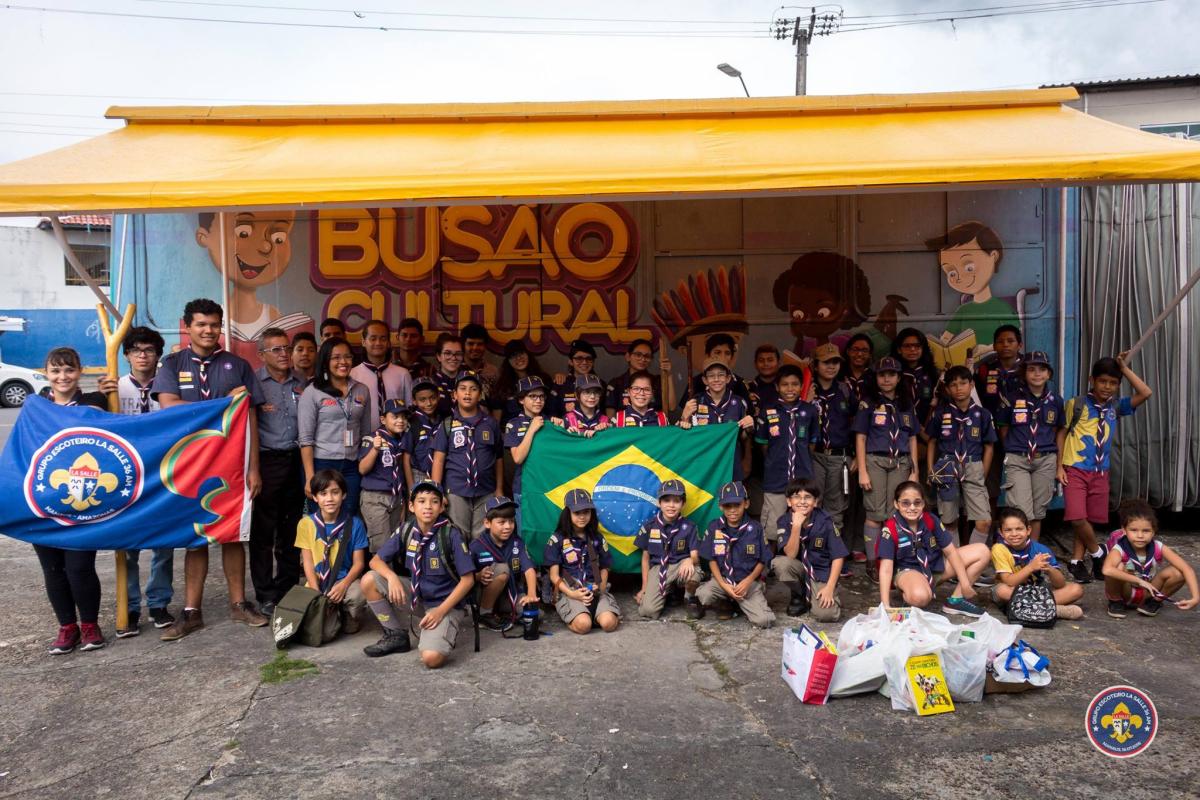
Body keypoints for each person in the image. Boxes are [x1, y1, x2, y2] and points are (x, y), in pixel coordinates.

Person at [153, 298, 269, 640]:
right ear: (187, 326)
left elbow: (249, 416)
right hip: (188, 465)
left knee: (233, 535)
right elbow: (168, 406)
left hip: (231, 466)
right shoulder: (172, 364)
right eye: (201, 324)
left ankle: (238, 604)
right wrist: (222, 404)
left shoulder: (238, 365)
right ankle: (191, 612)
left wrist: (254, 468)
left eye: (214, 324)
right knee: (195, 538)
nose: (208, 330)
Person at [101, 327, 175, 636]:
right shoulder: (114, 387)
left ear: (158, 355)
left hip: (159, 474)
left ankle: (158, 603)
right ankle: (128, 607)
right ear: (127, 355)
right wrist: (100, 398)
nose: (142, 355)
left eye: (149, 350)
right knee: (126, 546)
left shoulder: (170, 387)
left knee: (164, 544)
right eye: (136, 350)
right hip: (125, 476)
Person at [36, 347, 108, 654]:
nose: (62, 376)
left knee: (79, 566)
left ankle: (90, 625)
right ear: (46, 374)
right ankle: (67, 627)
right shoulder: (36, 406)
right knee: (52, 569)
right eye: (55, 371)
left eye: (68, 370)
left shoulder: (94, 402)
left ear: (80, 372)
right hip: (43, 502)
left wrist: (105, 393)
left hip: (82, 498)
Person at [1056, 352, 1152, 583]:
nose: (1107, 387)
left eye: (1113, 383)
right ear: (1092, 380)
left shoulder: (1116, 407)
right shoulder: (1076, 404)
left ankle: (1077, 562)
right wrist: (1059, 466)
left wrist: (1124, 368)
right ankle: (1099, 554)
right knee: (1077, 517)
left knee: (1088, 518)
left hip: (1100, 471)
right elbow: (1061, 433)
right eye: (1103, 381)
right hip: (1075, 467)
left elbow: (1146, 392)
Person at [359, 479, 476, 667]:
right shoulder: (407, 530)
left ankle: (442, 632)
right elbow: (375, 561)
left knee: (431, 658)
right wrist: (392, 577)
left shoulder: (451, 535)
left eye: (434, 501)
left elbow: (467, 580)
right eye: (421, 501)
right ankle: (395, 634)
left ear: (441, 507)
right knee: (368, 581)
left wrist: (440, 612)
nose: (428, 506)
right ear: (412, 506)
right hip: (416, 597)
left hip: (444, 604)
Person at [193, 210, 310, 363]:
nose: (265, 246)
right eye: (243, 233)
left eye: (278, 238)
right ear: (203, 237)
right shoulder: (214, 316)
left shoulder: (272, 313)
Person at [249, 327, 306, 615]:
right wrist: (253, 470)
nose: (284, 354)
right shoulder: (254, 384)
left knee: (292, 529)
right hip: (267, 462)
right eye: (276, 349)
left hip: (297, 460)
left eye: (287, 348)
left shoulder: (303, 383)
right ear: (261, 355)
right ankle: (266, 594)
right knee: (263, 533)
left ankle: (288, 589)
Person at [876, 482, 989, 617]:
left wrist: (964, 583)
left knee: (983, 551)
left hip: (934, 567)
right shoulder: (890, 529)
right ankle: (912, 593)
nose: (912, 507)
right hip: (908, 572)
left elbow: (951, 552)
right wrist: (885, 604)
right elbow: (886, 569)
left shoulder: (930, 520)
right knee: (921, 597)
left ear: (923, 504)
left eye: (917, 503)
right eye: (905, 503)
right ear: (896, 504)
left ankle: (956, 600)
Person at [853, 356, 920, 583]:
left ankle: (893, 559)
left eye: (892, 374)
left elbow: (912, 438)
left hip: (901, 462)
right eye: (882, 374)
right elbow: (861, 438)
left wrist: (915, 470)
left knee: (895, 513)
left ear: (899, 377)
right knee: (874, 513)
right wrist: (862, 470)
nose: (887, 378)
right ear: (876, 377)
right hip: (875, 461)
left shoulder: (906, 404)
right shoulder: (868, 402)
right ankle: (873, 561)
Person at [297, 337, 371, 516]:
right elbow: (306, 439)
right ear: (326, 361)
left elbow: (366, 432)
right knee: (323, 517)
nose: (343, 362)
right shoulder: (313, 391)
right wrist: (309, 477)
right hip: (322, 464)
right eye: (336, 357)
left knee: (349, 515)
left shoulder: (362, 390)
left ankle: (345, 546)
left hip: (352, 465)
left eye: (347, 357)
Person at [925, 365, 997, 547]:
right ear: (948, 388)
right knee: (949, 521)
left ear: (972, 385)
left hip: (973, 466)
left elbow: (989, 446)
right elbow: (932, 442)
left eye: (963, 383)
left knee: (984, 521)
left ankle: (969, 561)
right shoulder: (941, 414)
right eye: (954, 385)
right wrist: (930, 471)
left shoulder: (983, 415)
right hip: (946, 467)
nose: (959, 388)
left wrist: (983, 473)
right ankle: (954, 565)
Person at [995, 351, 1063, 541]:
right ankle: (1017, 557)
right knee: (1021, 512)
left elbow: (1060, 431)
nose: (1037, 373)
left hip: (1046, 459)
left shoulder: (1055, 401)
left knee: (1038, 512)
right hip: (1018, 459)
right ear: (1024, 373)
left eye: (1042, 369)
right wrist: (1013, 448)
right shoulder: (1011, 398)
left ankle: (1032, 555)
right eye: (1031, 369)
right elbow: (1003, 428)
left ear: (1049, 374)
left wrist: (1059, 465)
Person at [294, 469, 369, 641]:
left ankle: (347, 614)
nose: (329, 498)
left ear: (343, 495)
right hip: (318, 581)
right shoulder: (306, 524)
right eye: (323, 493)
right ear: (315, 497)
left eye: (335, 492)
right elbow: (307, 561)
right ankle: (331, 614)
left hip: (344, 580)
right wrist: (315, 591)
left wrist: (343, 585)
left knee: (359, 594)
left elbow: (359, 564)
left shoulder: (355, 524)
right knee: (324, 635)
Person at [431, 371, 504, 538]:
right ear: (455, 395)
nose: (468, 393)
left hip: (486, 490)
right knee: (457, 534)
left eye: (473, 389)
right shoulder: (447, 424)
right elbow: (438, 460)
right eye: (463, 389)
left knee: (482, 535)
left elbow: (499, 458)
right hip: (456, 490)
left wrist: (499, 489)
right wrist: (437, 492)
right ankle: (461, 565)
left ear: (480, 394)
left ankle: (480, 565)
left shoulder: (490, 424)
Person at [752, 364, 817, 547]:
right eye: (785, 384)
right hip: (776, 477)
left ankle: (803, 563)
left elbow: (811, 444)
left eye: (795, 384)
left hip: (802, 475)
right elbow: (763, 446)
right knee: (772, 525)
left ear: (801, 386)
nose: (790, 389)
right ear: (777, 387)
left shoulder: (809, 411)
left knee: (804, 522)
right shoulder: (768, 412)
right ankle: (767, 565)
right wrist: (775, 460)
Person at [695, 481, 775, 627]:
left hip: (748, 583)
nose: (732, 510)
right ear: (720, 506)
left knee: (765, 621)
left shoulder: (755, 528)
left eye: (737, 505)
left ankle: (742, 602)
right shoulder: (714, 527)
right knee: (703, 595)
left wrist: (748, 581)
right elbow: (711, 559)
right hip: (723, 580)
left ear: (746, 504)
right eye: (727, 506)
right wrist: (723, 585)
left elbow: (763, 560)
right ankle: (726, 599)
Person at [1102, 500, 1197, 618]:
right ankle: (1115, 601)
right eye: (1134, 530)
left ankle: (1154, 602)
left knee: (1178, 572)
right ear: (1124, 530)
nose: (1140, 536)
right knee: (1117, 567)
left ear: (1153, 532)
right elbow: (1106, 570)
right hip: (1125, 592)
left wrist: (1196, 597)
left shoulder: (1158, 546)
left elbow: (1187, 569)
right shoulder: (1120, 548)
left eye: (1146, 531)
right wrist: (1139, 581)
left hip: (1148, 592)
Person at [544, 489, 621, 634]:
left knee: (609, 624)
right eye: (577, 513)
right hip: (570, 590)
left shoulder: (597, 538)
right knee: (584, 626)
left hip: (595, 589)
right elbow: (554, 576)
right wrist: (572, 594)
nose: (582, 517)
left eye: (586, 512)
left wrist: (601, 586)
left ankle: (596, 615)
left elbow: (605, 566)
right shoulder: (557, 539)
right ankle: (579, 616)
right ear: (568, 513)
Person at [770, 479, 848, 621]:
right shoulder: (784, 520)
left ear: (815, 502)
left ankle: (825, 593)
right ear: (789, 502)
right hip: (799, 568)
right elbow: (791, 554)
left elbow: (838, 556)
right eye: (797, 497)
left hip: (820, 571)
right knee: (781, 563)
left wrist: (830, 587)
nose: (802, 502)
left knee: (827, 615)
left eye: (808, 497)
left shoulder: (825, 521)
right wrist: (796, 526)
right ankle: (799, 595)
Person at [990, 507, 1083, 620]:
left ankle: (1026, 609)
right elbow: (1009, 581)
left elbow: (1060, 584)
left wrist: (1049, 569)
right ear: (1001, 532)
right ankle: (1054, 610)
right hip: (1012, 591)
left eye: (1019, 529)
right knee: (1002, 591)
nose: (1014, 534)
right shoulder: (999, 548)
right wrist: (1031, 567)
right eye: (1008, 530)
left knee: (1076, 589)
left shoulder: (1040, 549)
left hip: (1035, 590)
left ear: (1028, 530)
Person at [634, 479, 702, 620]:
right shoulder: (649, 526)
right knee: (648, 611)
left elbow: (695, 555)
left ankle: (690, 598)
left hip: (680, 566)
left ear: (683, 503)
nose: (671, 505)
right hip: (659, 568)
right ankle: (669, 591)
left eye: (676, 501)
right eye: (667, 501)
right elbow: (645, 559)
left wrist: (689, 559)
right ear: (659, 502)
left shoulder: (689, 527)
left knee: (694, 572)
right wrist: (644, 588)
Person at [808, 343, 856, 543]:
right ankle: (815, 553)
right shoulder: (808, 390)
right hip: (815, 455)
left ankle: (835, 554)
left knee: (836, 509)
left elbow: (857, 423)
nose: (831, 366)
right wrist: (806, 401)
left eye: (835, 362)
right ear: (815, 365)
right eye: (826, 362)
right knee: (812, 503)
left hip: (840, 456)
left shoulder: (845, 389)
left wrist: (855, 455)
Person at [469, 496, 539, 631]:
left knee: (535, 613)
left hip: (510, 593)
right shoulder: (477, 546)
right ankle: (483, 616)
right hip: (483, 596)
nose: (508, 526)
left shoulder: (517, 543)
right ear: (487, 523)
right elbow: (464, 576)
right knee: (502, 569)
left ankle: (503, 613)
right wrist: (478, 576)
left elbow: (529, 569)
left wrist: (531, 594)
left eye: (511, 521)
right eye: (501, 522)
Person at [679, 358, 754, 480]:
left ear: (728, 378)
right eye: (711, 376)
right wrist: (684, 416)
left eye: (721, 375)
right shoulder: (695, 403)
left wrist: (749, 426)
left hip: (731, 466)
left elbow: (743, 437)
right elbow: (684, 438)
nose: (716, 379)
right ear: (705, 380)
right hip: (703, 467)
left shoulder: (739, 403)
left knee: (732, 499)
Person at [357, 399, 411, 553]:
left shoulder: (402, 440)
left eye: (403, 417)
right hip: (375, 498)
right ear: (383, 419)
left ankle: (388, 575)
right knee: (381, 544)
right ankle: (379, 576)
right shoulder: (373, 438)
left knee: (394, 542)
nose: (400, 420)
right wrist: (375, 449)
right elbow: (362, 469)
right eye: (395, 416)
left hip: (395, 498)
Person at [840, 334, 874, 564]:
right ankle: (844, 545)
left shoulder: (875, 379)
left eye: (864, 350)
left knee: (866, 501)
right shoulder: (839, 378)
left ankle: (861, 545)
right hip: (844, 445)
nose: (859, 353)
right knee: (846, 499)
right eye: (855, 349)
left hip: (872, 444)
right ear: (848, 352)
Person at [350, 319, 413, 432]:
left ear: (389, 342)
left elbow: (410, 409)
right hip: (363, 440)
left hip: (396, 441)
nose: (378, 343)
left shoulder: (402, 374)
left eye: (383, 338)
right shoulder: (352, 375)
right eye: (373, 338)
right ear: (364, 342)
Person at [504, 376, 554, 508]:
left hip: (548, 486)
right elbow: (518, 458)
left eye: (541, 396)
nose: (538, 400)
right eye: (532, 396)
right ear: (521, 399)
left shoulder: (552, 423)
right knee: (524, 528)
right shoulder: (513, 424)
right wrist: (531, 430)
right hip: (523, 487)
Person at [494, 339, 551, 426]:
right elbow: (496, 420)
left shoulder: (544, 379)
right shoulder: (503, 386)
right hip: (513, 434)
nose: (519, 358)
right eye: (513, 356)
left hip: (542, 430)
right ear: (508, 361)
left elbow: (552, 410)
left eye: (521, 353)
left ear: (527, 354)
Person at [891, 327, 939, 429]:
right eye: (907, 346)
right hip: (900, 428)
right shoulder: (892, 374)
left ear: (923, 349)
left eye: (917, 346)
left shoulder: (932, 373)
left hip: (927, 429)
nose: (912, 349)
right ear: (899, 349)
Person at [605, 338, 664, 416]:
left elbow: (671, 407)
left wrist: (669, 374)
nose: (643, 359)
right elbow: (610, 417)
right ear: (628, 357)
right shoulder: (616, 384)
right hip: (624, 427)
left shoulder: (657, 381)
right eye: (638, 355)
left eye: (647, 356)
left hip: (654, 426)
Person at [550, 339, 604, 417]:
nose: (584, 362)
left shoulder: (601, 384)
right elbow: (551, 413)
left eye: (589, 359)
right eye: (579, 358)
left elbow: (603, 413)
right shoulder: (560, 383)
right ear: (570, 361)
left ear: (593, 362)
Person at [407, 377, 441, 485]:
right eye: (423, 400)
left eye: (432, 398)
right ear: (414, 401)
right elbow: (405, 458)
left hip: (442, 473)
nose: (429, 403)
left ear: (438, 397)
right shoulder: (410, 423)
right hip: (418, 474)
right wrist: (410, 487)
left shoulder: (445, 421)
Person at [460, 323, 500, 401]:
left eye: (480, 344)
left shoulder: (493, 372)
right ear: (463, 345)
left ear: (485, 346)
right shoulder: (455, 369)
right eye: (470, 343)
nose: (475, 348)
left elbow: (497, 404)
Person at [430, 333, 465, 417]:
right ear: (438, 356)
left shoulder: (470, 382)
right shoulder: (430, 383)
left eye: (458, 354)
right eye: (447, 353)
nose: (453, 358)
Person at [748, 343, 782, 411]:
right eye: (761, 360)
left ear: (779, 363)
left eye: (770, 360)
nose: (766, 364)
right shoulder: (748, 389)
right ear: (755, 364)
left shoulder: (785, 387)